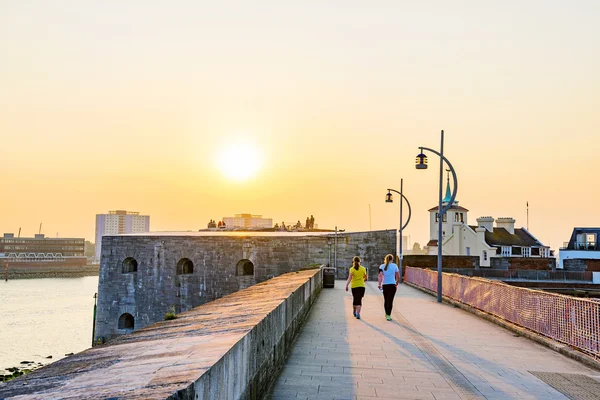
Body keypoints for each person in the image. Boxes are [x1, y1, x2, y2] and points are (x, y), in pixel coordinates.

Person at [378, 254, 400, 321]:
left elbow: (380, 276)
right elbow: (398, 276)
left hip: (385, 285)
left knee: (386, 300)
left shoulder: (382, 266)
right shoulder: (395, 266)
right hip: (392, 285)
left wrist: (379, 284)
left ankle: (386, 313)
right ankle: (388, 315)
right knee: (390, 300)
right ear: (392, 259)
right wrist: (396, 282)